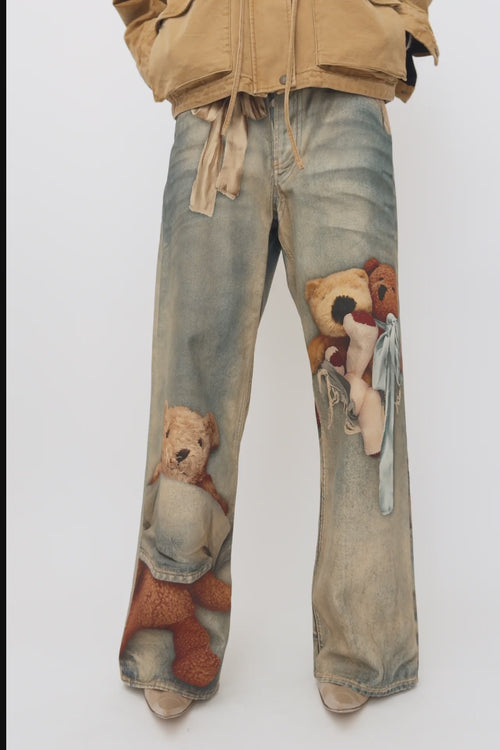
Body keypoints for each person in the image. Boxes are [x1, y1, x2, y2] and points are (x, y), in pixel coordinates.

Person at [112, 0, 439, 719]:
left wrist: (396, 26)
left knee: (364, 388)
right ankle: (172, 643)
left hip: (343, 99)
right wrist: (163, 41)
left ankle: (366, 645)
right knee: (190, 388)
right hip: (215, 112)